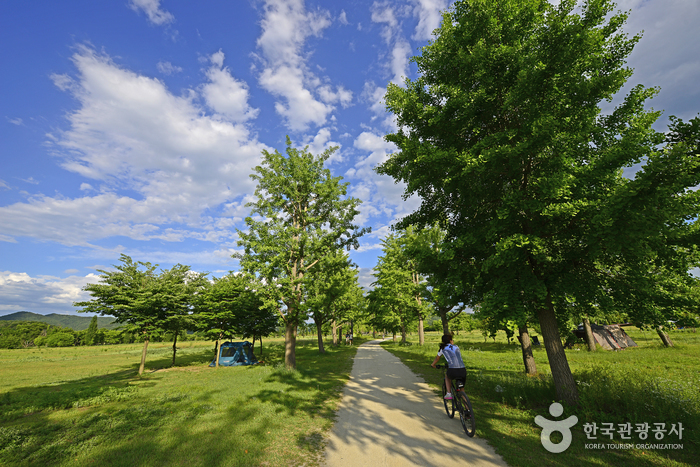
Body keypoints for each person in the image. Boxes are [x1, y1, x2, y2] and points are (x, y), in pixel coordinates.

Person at [431, 334, 466, 400]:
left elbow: (437, 358)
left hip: (453, 369)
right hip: (463, 369)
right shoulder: (456, 346)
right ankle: (468, 409)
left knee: (447, 376)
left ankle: (449, 393)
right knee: (462, 390)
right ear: (451, 340)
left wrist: (433, 365)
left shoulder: (442, 348)